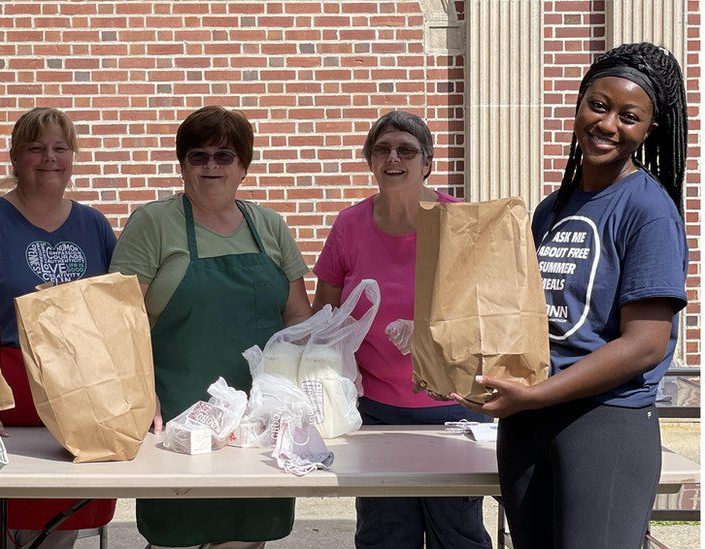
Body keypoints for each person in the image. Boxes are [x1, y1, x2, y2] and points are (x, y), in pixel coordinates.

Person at [452, 43, 688, 549]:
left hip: (604, 425)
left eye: (629, 116)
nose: (607, 124)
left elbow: (646, 343)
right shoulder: (549, 210)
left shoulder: (648, 210)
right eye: (598, 105)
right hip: (530, 424)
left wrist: (536, 395)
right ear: (579, 104)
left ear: (650, 130)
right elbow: (525, 318)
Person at [111, 105, 312, 548]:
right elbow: (120, 322)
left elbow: (298, 316)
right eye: (198, 156)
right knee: (180, 533)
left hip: (258, 419)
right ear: (182, 165)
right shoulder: (153, 224)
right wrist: (142, 399)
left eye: (224, 156)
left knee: (249, 532)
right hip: (181, 416)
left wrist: (295, 396)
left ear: (244, 166)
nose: (211, 166)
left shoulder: (270, 227)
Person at [0, 107, 118, 549]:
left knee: (58, 523)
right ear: (14, 158)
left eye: (59, 148)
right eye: (36, 148)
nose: (49, 158)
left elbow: (112, 318)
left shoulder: (93, 225)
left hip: (71, 402)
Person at [312, 110, 493, 549]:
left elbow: (490, 313)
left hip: (449, 408)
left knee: (457, 534)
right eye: (382, 149)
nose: (393, 158)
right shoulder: (349, 225)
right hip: (375, 411)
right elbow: (325, 314)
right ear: (370, 161)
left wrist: (431, 331)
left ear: (427, 163)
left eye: (406, 150)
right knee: (384, 534)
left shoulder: (457, 221)